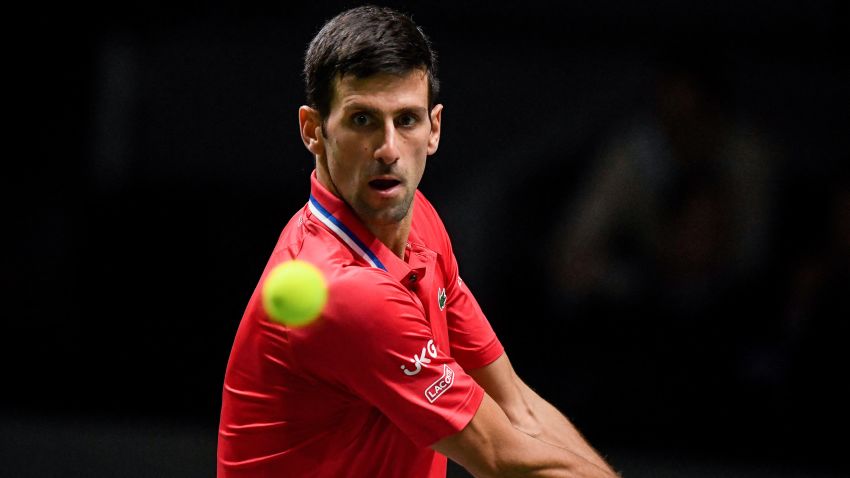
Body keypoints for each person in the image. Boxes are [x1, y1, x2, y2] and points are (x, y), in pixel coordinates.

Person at [218, 6, 617, 477]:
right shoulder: (347, 291)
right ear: (313, 130)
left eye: (406, 120)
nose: (388, 149)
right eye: (363, 120)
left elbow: (520, 409)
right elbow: (503, 458)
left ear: (434, 129)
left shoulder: (419, 220)